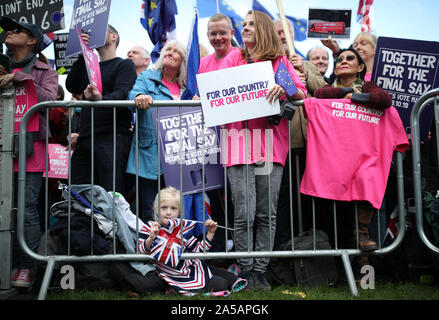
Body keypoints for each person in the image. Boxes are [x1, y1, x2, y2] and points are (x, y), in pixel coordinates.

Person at [225, 10, 306, 291]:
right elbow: (214, 92)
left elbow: (300, 93)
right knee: (243, 211)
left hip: (269, 146)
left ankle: (260, 270)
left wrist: (281, 87)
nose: (244, 28)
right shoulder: (233, 58)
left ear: (263, 30)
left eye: (251, 24)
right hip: (236, 143)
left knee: (265, 212)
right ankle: (245, 268)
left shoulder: (278, 62)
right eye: (243, 24)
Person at [313, 46, 392, 253]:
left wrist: (357, 98)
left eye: (350, 58)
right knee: (338, 212)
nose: (343, 61)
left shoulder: (368, 86)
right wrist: (346, 92)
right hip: (335, 155)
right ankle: (342, 263)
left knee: (367, 183)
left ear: (360, 67)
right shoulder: (329, 86)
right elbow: (320, 94)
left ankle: (363, 244)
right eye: (339, 60)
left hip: (363, 154)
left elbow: (384, 100)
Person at [0, 17, 58, 287]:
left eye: (16, 30)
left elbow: (50, 97)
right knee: (3, 211)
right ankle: (6, 266)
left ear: (32, 40)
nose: (8, 32)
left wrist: (19, 78)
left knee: (25, 210)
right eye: (7, 29)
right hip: (2, 147)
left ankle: (25, 268)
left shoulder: (44, 70)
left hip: (31, 149)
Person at [66, 24, 137, 196]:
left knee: (111, 195)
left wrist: (99, 100)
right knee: (79, 196)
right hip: (85, 139)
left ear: (114, 36)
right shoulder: (90, 68)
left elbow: (122, 93)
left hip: (112, 139)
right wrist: (84, 53)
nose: (91, 33)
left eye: (100, 28)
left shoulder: (124, 65)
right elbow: (72, 85)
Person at [138, 186, 244, 295]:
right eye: (164, 208)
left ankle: (209, 279)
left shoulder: (182, 229)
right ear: (156, 209)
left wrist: (211, 232)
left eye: (173, 208)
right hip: (175, 274)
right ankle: (180, 289)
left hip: (193, 267)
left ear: (179, 211)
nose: (168, 212)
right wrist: (151, 238)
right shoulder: (149, 227)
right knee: (221, 284)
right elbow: (141, 251)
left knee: (231, 278)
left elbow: (200, 250)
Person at [126, 40, 187, 222]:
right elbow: (133, 93)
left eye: (176, 51)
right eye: (168, 49)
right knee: (150, 210)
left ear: (183, 60)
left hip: (178, 157)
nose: (170, 52)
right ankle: (151, 247)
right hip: (149, 155)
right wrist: (139, 96)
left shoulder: (188, 86)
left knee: (176, 212)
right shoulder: (147, 77)